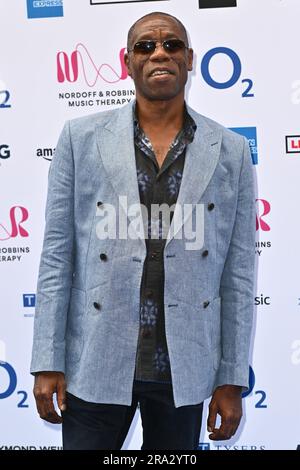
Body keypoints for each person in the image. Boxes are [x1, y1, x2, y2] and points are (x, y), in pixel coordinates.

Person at [30, 11, 256, 450]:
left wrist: (232, 377)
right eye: (145, 46)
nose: (160, 54)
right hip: (95, 358)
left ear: (189, 59)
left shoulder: (230, 150)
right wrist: (47, 359)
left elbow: (239, 272)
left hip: (184, 364)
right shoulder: (80, 138)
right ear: (127, 61)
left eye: (172, 45)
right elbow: (57, 256)